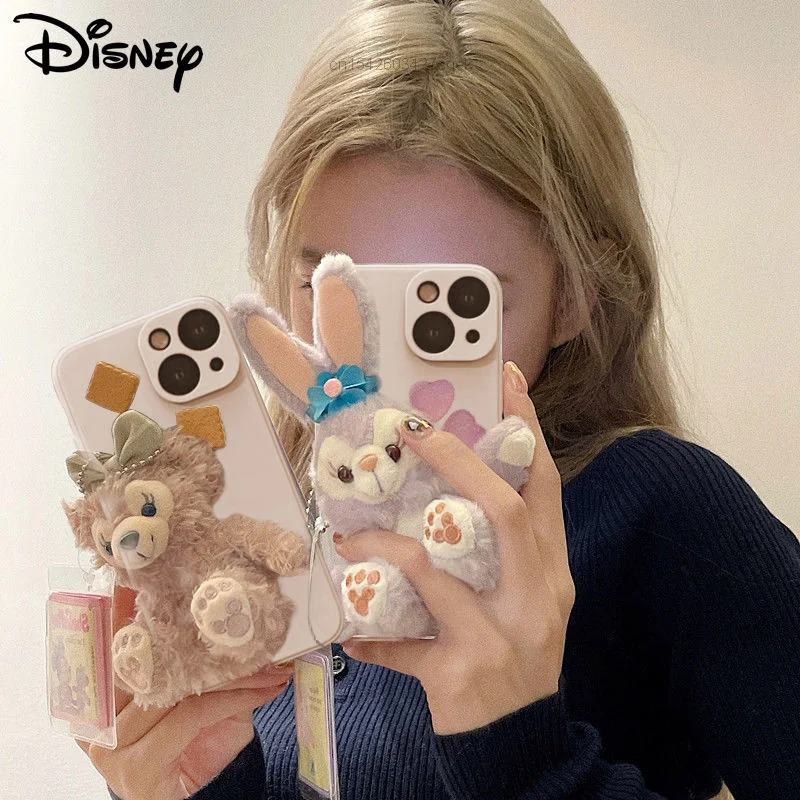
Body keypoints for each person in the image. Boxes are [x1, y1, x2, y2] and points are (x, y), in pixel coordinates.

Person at [80, 1, 800, 798]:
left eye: (438, 305)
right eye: (328, 285)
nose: (371, 359)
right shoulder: (261, 529)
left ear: (575, 295)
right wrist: (187, 781)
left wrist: (526, 753)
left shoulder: (663, 513)